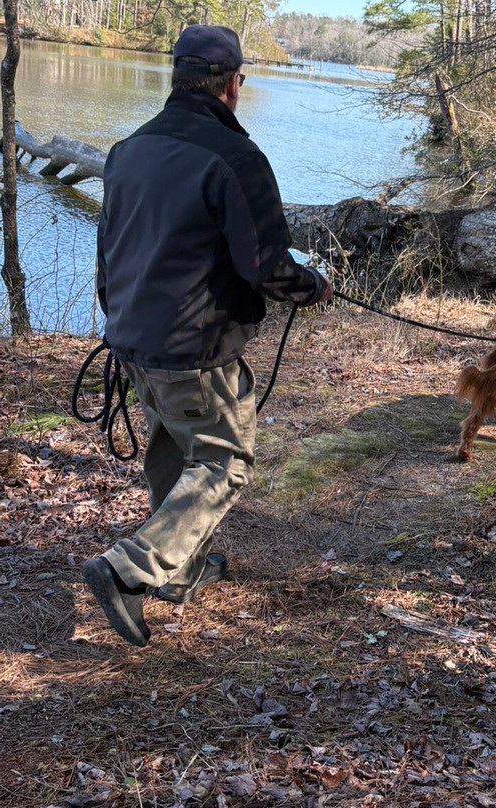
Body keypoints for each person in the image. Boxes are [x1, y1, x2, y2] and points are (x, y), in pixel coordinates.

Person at [83, 24, 332, 647]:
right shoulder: (236, 158)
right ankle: (130, 570)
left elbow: (107, 252)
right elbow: (266, 266)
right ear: (231, 86)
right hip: (194, 346)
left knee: (175, 450)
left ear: (177, 77)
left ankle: (182, 569)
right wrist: (314, 288)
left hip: (133, 338)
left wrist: (119, 323)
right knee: (222, 461)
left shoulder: (128, 149)